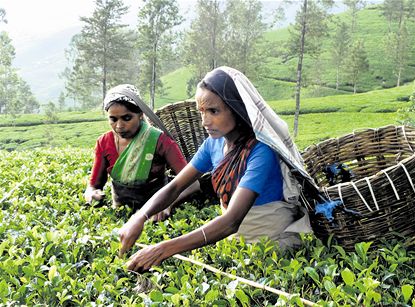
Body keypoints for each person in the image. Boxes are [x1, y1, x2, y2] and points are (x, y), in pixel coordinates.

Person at [118, 67, 315, 272]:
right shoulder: (213, 144)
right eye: (201, 112)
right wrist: (139, 217)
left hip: (271, 246)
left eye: (214, 111)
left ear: (237, 109)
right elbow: (176, 186)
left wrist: (162, 249)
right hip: (233, 242)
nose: (205, 121)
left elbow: (232, 220)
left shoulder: (261, 151)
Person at [84, 84, 191, 220]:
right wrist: (92, 194)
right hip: (121, 215)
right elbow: (93, 186)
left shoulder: (160, 141)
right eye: (113, 119)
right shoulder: (104, 143)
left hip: (156, 217)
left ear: (140, 115)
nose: (119, 126)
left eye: (127, 118)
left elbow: (192, 184)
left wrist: (167, 204)